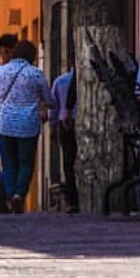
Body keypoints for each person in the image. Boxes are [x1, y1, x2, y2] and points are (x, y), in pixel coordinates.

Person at [0, 40, 54, 213]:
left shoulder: (1, 71)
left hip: (4, 124)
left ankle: (10, 195)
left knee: (8, 164)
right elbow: (48, 99)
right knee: (25, 163)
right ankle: (19, 195)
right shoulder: (35, 73)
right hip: (27, 125)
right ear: (32, 56)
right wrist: (49, 105)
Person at [51, 65, 79, 213]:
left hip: (66, 125)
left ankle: (73, 200)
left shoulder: (60, 81)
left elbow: (53, 108)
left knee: (68, 163)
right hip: (79, 120)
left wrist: (52, 127)